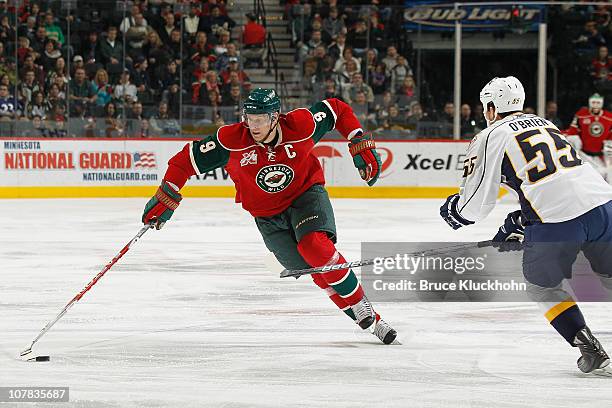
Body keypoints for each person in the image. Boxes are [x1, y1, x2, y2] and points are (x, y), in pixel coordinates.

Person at [141, 88, 397, 344]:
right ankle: (371, 320)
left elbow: (337, 109)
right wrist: (168, 193)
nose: (253, 125)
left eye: (261, 119)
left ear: (275, 117)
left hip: (305, 196)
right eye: (250, 118)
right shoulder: (231, 141)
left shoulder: (301, 126)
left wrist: (357, 140)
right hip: (266, 215)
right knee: (310, 267)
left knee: (315, 247)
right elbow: (182, 162)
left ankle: (361, 306)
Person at [440, 76, 612, 375]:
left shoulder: (490, 135)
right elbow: (557, 178)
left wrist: (455, 211)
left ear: (492, 108)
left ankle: (588, 346)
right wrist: (521, 220)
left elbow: (475, 206)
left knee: (541, 287)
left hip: (558, 221)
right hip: (604, 205)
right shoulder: (546, 123)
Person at [564, 94, 612, 179]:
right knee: (586, 178)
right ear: (590, 103)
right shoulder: (581, 115)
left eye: (598, 102)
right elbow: (572, 132)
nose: (596, 105)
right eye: (593, 102)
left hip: (602, 158)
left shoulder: (609, 117)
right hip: (585, 155)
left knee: (605, 179)